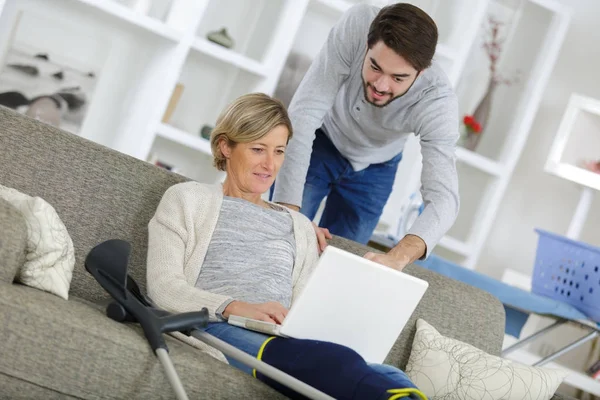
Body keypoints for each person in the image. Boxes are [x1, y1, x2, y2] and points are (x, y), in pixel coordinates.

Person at [146, 93, 425, 399]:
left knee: (389, 373)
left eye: (279, 151)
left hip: (286, 337)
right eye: (258, 149)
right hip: (217, 325)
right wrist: (235, 306)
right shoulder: (187, 199)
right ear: (226, 146)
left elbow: (306, 306)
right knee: (338, 365)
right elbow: (163, 287)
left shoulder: (300, 226)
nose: (270, 164)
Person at [271, 3, 460, 272]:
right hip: (322, 141)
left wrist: (399, 257)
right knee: (281, 239)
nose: (381, 85)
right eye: (375, 67)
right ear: (367, 44)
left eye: (398, 78)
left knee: (338, 269)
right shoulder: (357, 24)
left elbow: (444, 198)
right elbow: (303, 116)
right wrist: (290, 214)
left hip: (376, 169)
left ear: (421, 72)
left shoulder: (437, 101)